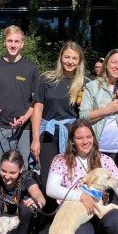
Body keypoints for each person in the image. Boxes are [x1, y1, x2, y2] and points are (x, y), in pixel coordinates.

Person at [0, 25, 39, 174]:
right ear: (4, 42)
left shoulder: (31, 68)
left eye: (16, 41)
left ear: (22, 44)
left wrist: (25, 118)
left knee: (22, 172)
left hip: (23, 130)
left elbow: (36, 102)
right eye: (9, 41)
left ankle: (18, 197)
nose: (13, 45)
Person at [31, 41, 87, 189]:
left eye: (74, 58)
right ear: (61, 58)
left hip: (72, 135)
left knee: (71, 177)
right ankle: (47, 210)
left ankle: (67, 211)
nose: (70, 61)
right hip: (48, 133)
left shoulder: (84, 83)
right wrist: (35, 139)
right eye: (67, 57)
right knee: (46, 177)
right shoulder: (46, 79)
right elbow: (37, 110)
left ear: (79, 61)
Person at [79, 49, 118, 165]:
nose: (117, 66)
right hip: (95, 148)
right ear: (106, 64)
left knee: (116, 183)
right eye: (114, 62)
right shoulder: (92, 86)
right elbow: (83, 117)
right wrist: (107, 110)